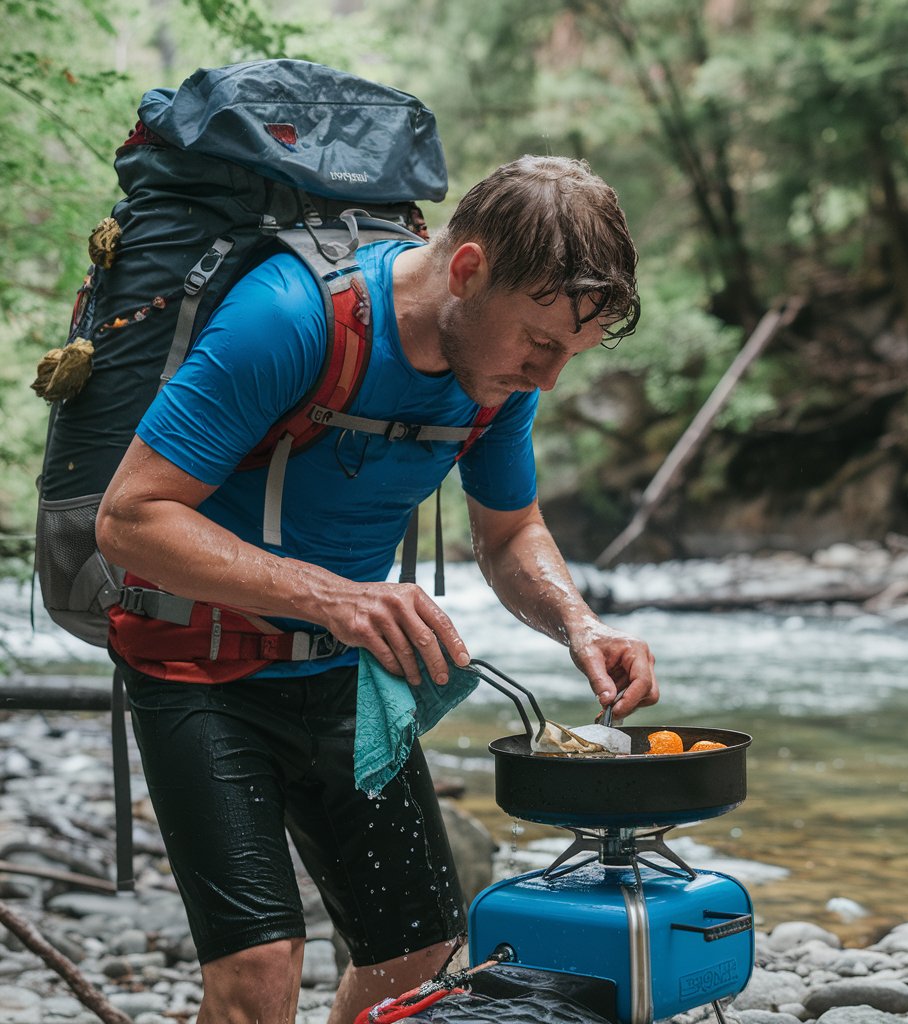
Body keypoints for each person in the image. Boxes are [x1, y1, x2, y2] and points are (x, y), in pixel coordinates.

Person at [96, 154, 659, 1024]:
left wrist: (577, 623)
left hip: (349, 678)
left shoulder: (496, 375)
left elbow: (510, 533)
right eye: (542, 345)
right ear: (467, 270)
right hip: (194, 664)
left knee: (416, 955)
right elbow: (130, 519)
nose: (548, 378)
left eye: (569, 355)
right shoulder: (289, 319)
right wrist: (334, 597)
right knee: (260, 964)